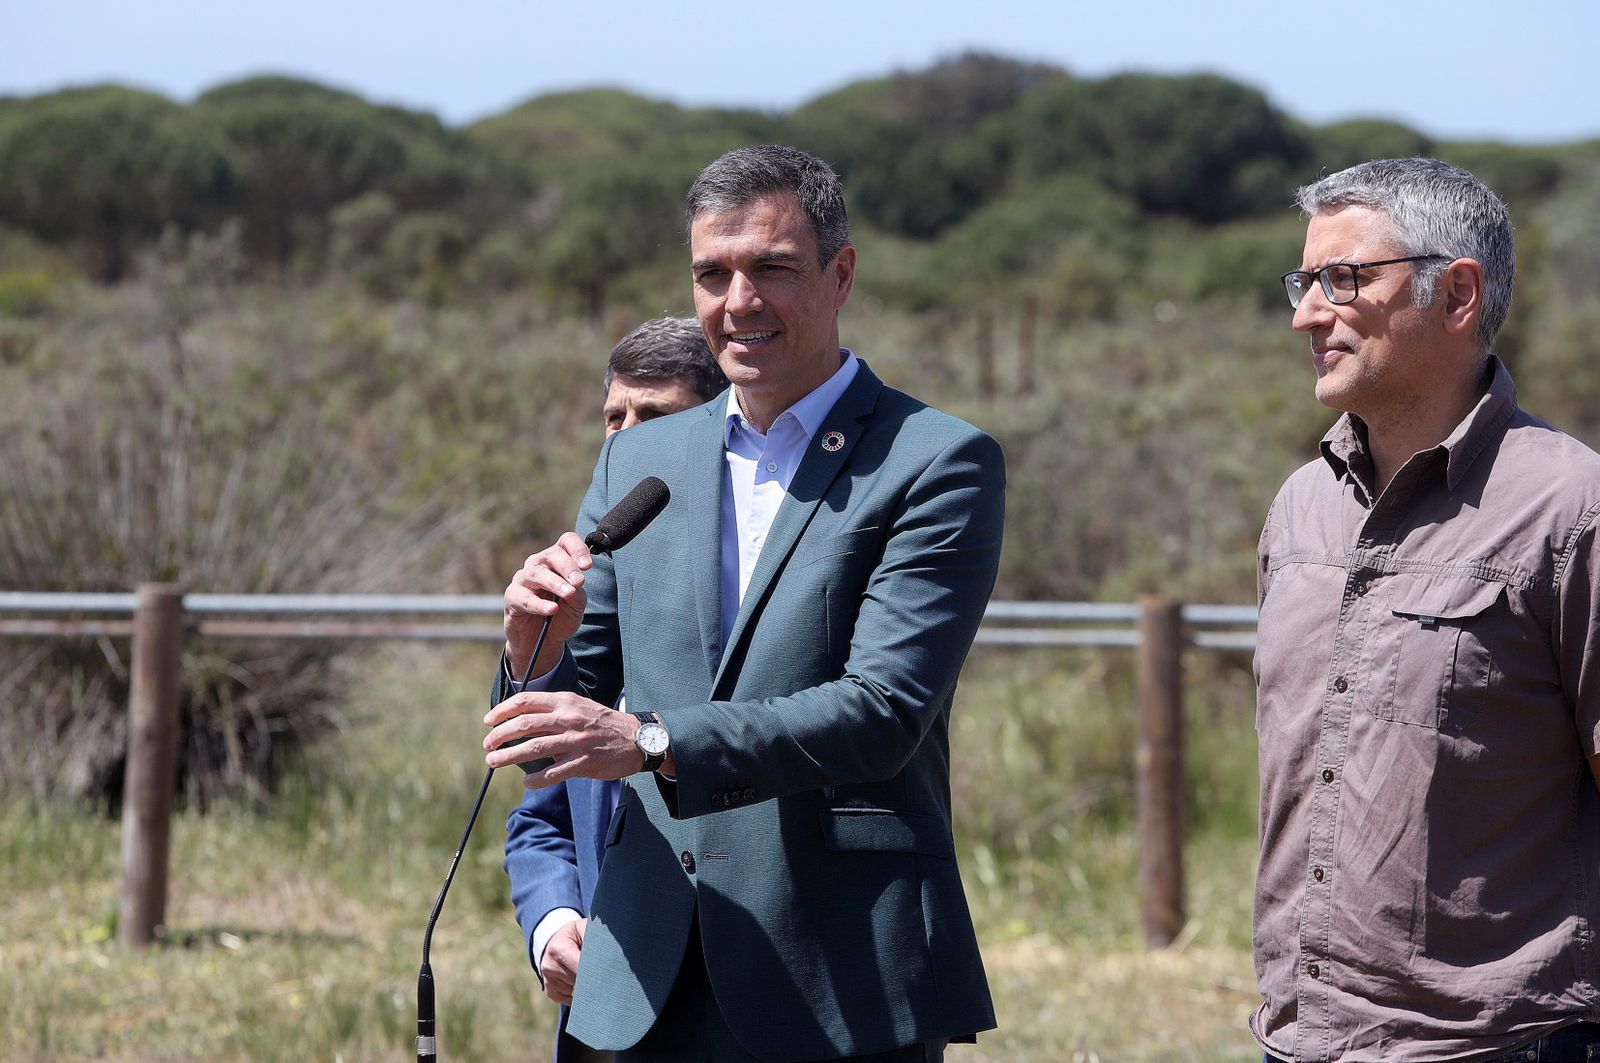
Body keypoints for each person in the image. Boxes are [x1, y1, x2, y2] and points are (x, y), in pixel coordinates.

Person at [484, 144, 1003, 1062]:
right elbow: (565, 706)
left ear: (840, 275)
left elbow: (883, 712)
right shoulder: (638, 459)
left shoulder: (937, 461)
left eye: (772, 268)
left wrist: (651, 741)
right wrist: (536, 647)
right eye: (712, 273)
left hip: (837, 976)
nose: (739, 302)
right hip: (639, 971)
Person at [1254, 157, 1600, 1062]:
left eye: (1343, 279)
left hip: (1501, 1043)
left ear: (1456, 295)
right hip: (1297, 1038)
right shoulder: (1298, 507)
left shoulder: (1571, 509)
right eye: (1304, 281)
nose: (1305, 313)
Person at [502, 316, 727, 1063]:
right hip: (610, 1004)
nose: (624, 440)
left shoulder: (754, 593)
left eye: (654, 417)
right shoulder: (588, 598)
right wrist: (553, 923)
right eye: (613, 417)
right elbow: (541, 821)